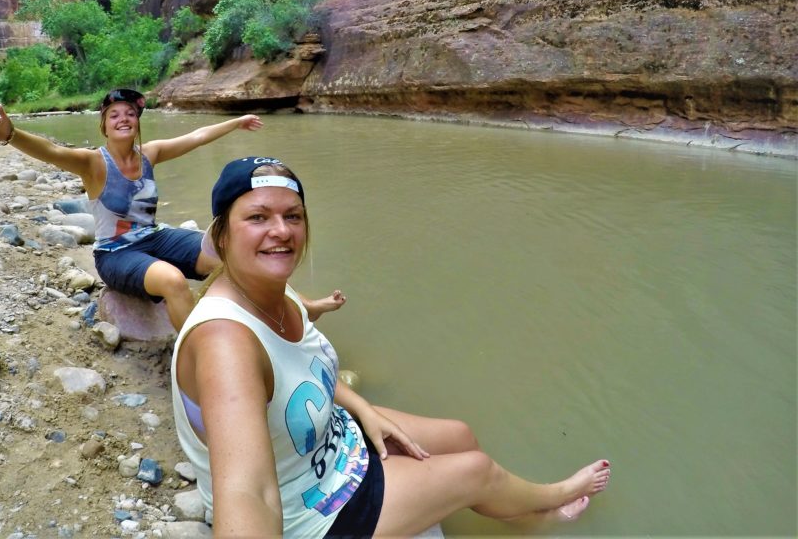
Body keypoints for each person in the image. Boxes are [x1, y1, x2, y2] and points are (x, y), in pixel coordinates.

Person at [171, 156, 612, 537]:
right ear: (222, 234)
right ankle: (553, 500)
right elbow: (249, 492)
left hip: (329, 443)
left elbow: (301, 373)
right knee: (476, 469)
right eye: (258, 217)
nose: (281, 231)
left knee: (459, 435)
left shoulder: (278, 294)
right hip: (310, 512)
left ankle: (516, 517)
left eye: (294, 215)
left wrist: (367, 412)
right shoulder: (224, 343)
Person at [0, 91, 345, 331]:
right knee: (172, 281)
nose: (123, 119)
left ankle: (300, 307)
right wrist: (10, 134)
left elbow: (195, 138)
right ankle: (200, 358)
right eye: (114, 114)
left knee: (231, 250)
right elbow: (51, 151)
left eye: (130, 114)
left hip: (154, 238)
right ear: (104, 125)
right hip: (116, 255)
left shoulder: (149, 154)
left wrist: (235, 122)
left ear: (137, 124)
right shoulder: (91, 163)